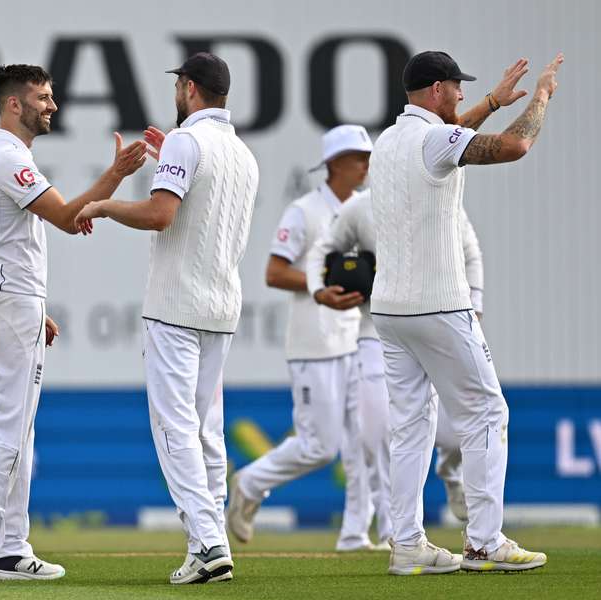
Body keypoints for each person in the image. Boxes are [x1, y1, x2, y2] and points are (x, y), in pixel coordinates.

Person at [368, 50, 563, 574]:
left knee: (411, 427)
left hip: (389, 310)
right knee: (486, 412)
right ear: (436, 90)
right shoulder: (434, 140)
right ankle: (483, 542)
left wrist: (493, 101)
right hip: (439, 303)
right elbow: (514, 145)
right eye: (456, 87)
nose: (460, 96)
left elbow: (449, 137)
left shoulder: (389, 141)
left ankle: (407, 545)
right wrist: (540, 98)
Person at [0, 64, 146, 583]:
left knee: (14, 430)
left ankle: (11, 547)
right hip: (7, 306)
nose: (51, 105)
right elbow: (64, 217)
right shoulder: (7, 156)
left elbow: (20, 234)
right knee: (11, 434)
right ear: (13, 104)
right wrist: (116, 176)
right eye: (41, 97)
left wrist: (38, 310)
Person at [75, 52, 259, 584]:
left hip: (177, 306)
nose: (176, 92)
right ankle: (213, 538)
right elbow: (196, 205)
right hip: (221, 306)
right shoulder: (241, 153)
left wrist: (104, 206)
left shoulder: (186, 141)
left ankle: (207, 543)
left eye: (179, 84)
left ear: (191, 89)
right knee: (207, 430)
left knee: (175, 427)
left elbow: (162, 215)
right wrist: (169, 163)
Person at [306, 188, 487, 544]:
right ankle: (400, 531)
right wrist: (318, 290)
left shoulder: (442, 199)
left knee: (455, 433)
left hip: (442, 322)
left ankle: (450, 472)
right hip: (378, 328)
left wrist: (475, 306)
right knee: (379, 433)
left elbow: (470, 253)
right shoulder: (362, 206)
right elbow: (321, 251)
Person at [226, 125, 373, 551]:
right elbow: (273, 272)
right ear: (333, 164)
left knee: (364, 439)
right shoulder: (304, 211)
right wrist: (319, 287)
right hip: (314, 344)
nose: (365, 164)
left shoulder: (366, 211)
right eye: (356, 157)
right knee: (319, 447)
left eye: (367, 156)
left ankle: (355, 532)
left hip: (356, 338)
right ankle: (250, 482)